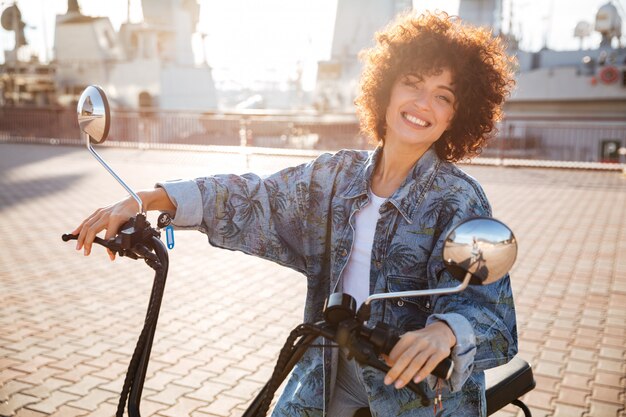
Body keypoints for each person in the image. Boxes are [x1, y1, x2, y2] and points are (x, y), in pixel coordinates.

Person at [73, 11, 518, 417]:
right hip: (325, 374)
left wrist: (446, 333)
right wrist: (146, 200)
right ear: (386, 88)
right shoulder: (335, 177)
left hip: (420, 401)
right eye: (413, 83)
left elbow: (494, 320)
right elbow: (256, 198)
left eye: (443, 97)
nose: (423, 103)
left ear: (456, 117)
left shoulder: (459, 200)